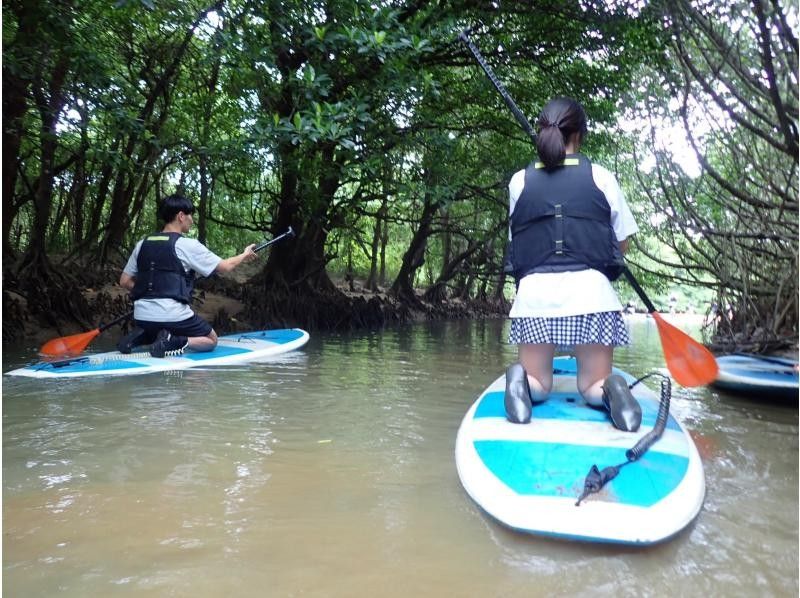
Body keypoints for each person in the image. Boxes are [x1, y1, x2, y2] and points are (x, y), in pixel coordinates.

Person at [503, 97, 641, 432]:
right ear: (579, 134)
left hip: (535, 296)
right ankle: (611, 387)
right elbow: (621, 244)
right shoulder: (603, 177)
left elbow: (518, 239)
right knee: (591, 388)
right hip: (592, 296)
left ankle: (521, 380)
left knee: (540, 384)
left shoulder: (519, 182)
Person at [117, 193, 258, 357]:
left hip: (142, 316)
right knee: (210, 339)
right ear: (181, 216)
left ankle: (139, 338)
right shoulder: (187, 245)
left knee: (156, 326)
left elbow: (124, 281)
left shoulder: (142, 244)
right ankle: (174, 340)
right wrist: (244, 254)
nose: (192, 220)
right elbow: (225, 267)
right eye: (190, 215)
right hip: (172, 316)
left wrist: (151, 291)